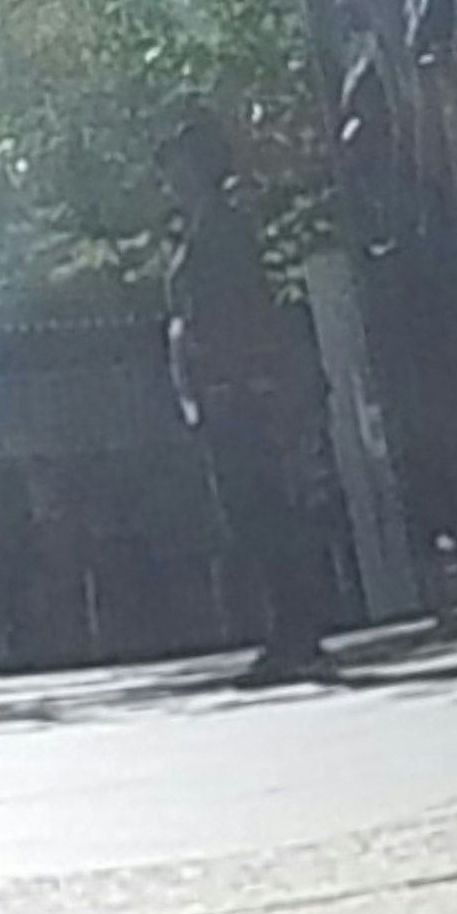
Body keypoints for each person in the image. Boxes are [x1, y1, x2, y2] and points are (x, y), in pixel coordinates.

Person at [157, 110, 335, 687]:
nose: (171, 178)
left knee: (260, 509)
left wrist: (246, 379)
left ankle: (296, 630)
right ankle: (290, 627)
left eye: (179, 164)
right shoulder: (201, 230)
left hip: (238, 391)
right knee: (250, 512)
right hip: (218, 391)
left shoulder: (224, 231)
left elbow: (239, 313)